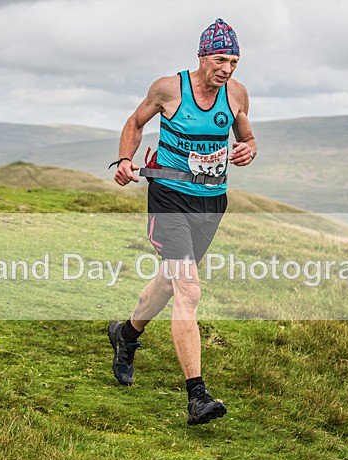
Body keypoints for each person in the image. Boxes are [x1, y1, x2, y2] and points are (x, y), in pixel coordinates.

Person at [108, 18, 257, 425]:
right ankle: (197, 396)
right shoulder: (169, 89)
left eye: (234, 61)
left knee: (171, 281)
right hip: (169, 198)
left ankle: (126, 334)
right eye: (220, 59)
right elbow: (135, 124)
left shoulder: (237, 95)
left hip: (211, 203)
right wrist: (124, 159)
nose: (226, 69)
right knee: (188, 289)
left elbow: (247, 138)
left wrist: (247, 150)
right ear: (202, 56)